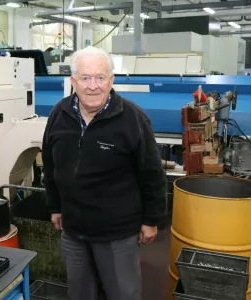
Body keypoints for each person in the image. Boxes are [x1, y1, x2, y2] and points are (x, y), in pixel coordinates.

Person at [42, 46, 167, 300]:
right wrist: (55, 206)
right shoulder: (59, 114)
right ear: (73, 81)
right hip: (73, 229)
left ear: (111, 80)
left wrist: (151, 220)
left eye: (100, 78)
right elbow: (50, 164)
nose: (93, 86)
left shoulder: (132, 119)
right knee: (79, 294)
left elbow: (152, 175)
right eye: (85, 78)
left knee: (123, 294)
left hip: (116, 234)